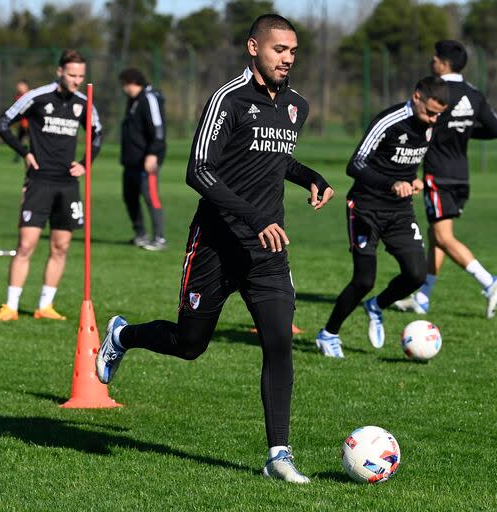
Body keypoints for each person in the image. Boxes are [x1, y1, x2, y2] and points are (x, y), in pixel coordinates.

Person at [96, 14, 334, 483]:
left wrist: (310, 177)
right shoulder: (228, 99)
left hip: (268, 249)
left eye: (292, 51)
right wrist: (255, 216)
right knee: (189, 345)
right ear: (253, 47)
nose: (287, 59)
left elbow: (272, 159)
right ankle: (122, 336)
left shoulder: (296, 106)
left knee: (280, 341)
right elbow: (199, 172)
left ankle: (278, 455)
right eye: (278, 50)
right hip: (216, 245)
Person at [315, 77, 449, 358]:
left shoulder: (430, 126)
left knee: (416, 274)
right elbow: (356, 164)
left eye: (439, 114)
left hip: (399, 210)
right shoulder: (389, 120)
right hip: (365, 207)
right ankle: (328, 334)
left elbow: (409, 160)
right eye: (430, 112)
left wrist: (415, 181)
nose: (434, 119)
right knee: (364, 280)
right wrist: (391, 183)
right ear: (416, 97)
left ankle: (376, 305)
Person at [394, 41, 497, 319]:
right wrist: (465, 133)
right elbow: (496, 129)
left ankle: (489, 282)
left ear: (444, 63)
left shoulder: (436, 93)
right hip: (461, 176)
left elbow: (417, 121)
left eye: (435, 57)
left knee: (443, 236)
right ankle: (422, 297)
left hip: (437, 175)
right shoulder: (474, 94)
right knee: (435, 235)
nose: (432, 60)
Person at [0, 49, 102, 321]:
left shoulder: (83, 102)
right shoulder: (37, 97)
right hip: (39, 181)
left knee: (61, 246)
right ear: (60, 72)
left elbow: (97, 135)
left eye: (81, 76)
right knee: (26, 245)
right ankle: (11, 306)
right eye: (72, 74)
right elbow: (2, 123)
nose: (76, 80)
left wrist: (85, 163)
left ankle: (45, 306)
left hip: (68, 184)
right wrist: (24, 152)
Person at [118, 68, 167, 250]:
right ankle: (140, 234)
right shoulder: (133, 101)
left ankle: (159, 238)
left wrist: (153, 153)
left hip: (147, 161)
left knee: (150, 197)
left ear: (132, 82)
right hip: (131, 161)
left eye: (125, 84)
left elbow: (158, 129)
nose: (124, 89)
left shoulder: (149, 99)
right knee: (129, 196)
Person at [12, 80, 30, 163]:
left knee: (34, 142)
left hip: (30, 124)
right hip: (22, 123)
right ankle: (18, 157)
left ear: (26, 86)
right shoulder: (17, 97)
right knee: (18, 142)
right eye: (18, 86)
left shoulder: (31, 95)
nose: (19, 88)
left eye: (21, 86)